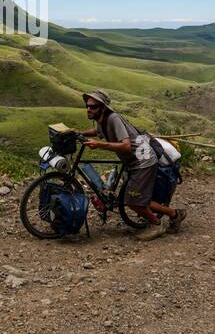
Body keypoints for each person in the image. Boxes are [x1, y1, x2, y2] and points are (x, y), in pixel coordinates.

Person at [77, 90, 185, 241]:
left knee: (134, 202)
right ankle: (175, 214)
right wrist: (79, 133)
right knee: (138, 199)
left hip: (143, 161)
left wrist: (99, 145)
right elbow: (98, 131)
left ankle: (156, 224)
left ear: (102, 107)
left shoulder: (113, 118)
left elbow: (126, 146)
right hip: (134, 161)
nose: (89, 109)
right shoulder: (102, 119)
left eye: (93, 106)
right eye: (87, 106)